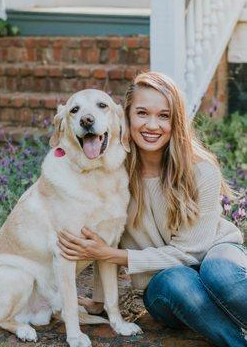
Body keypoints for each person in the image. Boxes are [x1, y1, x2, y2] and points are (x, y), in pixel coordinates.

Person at [57, 72, 247, 347]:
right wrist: (100, 300)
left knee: (220, 273)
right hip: (165, 284)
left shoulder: (201, 170)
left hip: (213, 250)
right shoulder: (113, 173)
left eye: (164, 116)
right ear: (126, 118)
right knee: (180, 283)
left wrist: (111, 255)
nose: (152, 125)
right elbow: (105, 235)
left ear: (176, 121)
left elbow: (190, 252)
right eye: (142, 113)